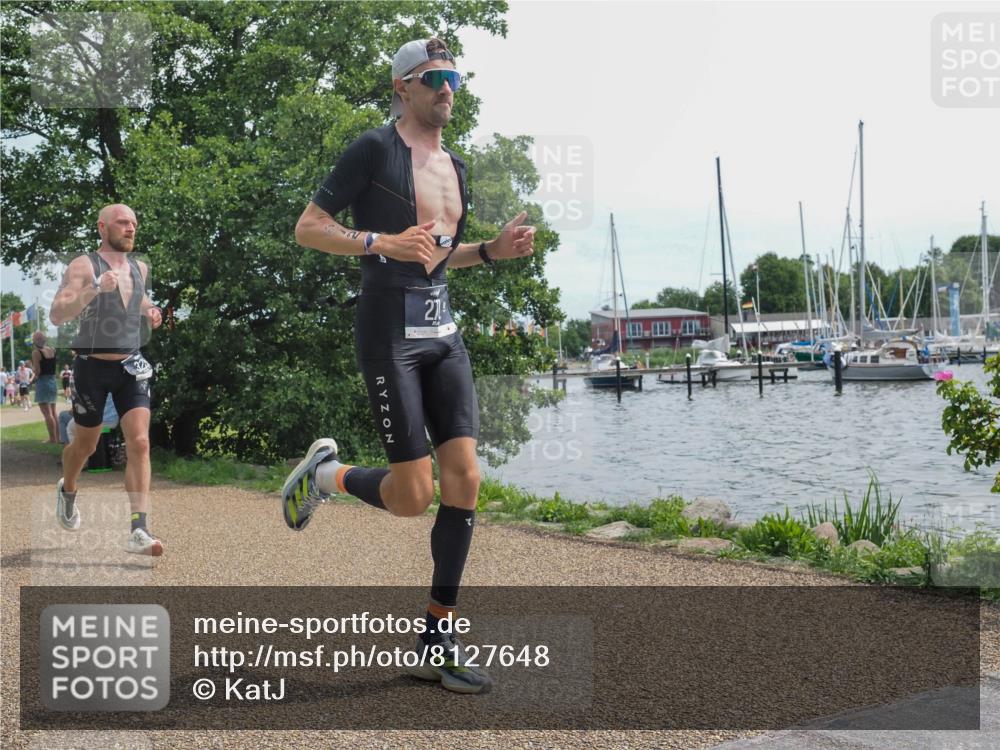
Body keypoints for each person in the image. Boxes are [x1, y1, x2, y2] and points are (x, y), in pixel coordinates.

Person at [282, 38, 535, 695]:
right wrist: (377, 242)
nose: (448, 88)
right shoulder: (374, 150)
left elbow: (441, 257)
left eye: (453, 77)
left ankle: (437, 637)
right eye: (434, 78)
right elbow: (309, 227)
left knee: (466, 479)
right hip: (389, 333)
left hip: (444, 333)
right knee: (412, 496)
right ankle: (328, 475)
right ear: (403, 88)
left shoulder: (456, 165)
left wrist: (492, 251)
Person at [49, 203, 164, 555]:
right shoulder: (84, 266)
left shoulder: (139, 266)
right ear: (102, 228)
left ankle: (138, 530)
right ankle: (68, 490)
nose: (130, 228)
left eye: (134, 222)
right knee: (86, 444)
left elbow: (138, 296)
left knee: (140, 442)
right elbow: (57, 313)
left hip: (131, 366)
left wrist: (149, 309)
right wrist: (95, 288)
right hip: (91, 368)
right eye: (122, 223)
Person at [31, 331, 60, 442]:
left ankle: (52, 439)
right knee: (53, 412)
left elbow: (37, 371)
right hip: (53, 382)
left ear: (34, 341)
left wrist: (32, 379)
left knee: (47, 413)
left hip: (43, 383)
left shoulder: (36, 352)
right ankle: (58, 437)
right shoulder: (52, 349)